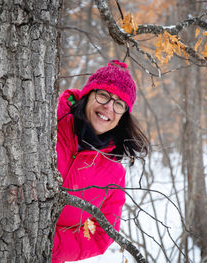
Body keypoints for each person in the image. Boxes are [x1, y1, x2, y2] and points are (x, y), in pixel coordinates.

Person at [52, 60, 149, 262]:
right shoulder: (52, 120)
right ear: (88, 95)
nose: (108, 107)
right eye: (103, 95)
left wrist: (47, 243)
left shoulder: (114, 171)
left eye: (119, 104)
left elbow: (100, 235)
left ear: (124, 115)